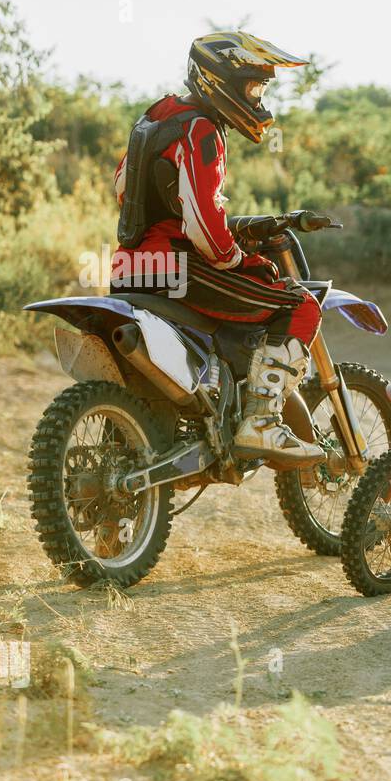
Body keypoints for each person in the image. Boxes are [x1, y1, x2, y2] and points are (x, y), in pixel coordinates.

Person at [111, 31, 322, 466]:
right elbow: (207, 231)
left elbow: (122, 189)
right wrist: (238, 257)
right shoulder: (203, 129)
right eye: (253, 86)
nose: (258, 98)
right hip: (178, 265)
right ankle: (261, 423)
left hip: (129, 267)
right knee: (300, 305)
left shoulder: (156, 116)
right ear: (220, 79)